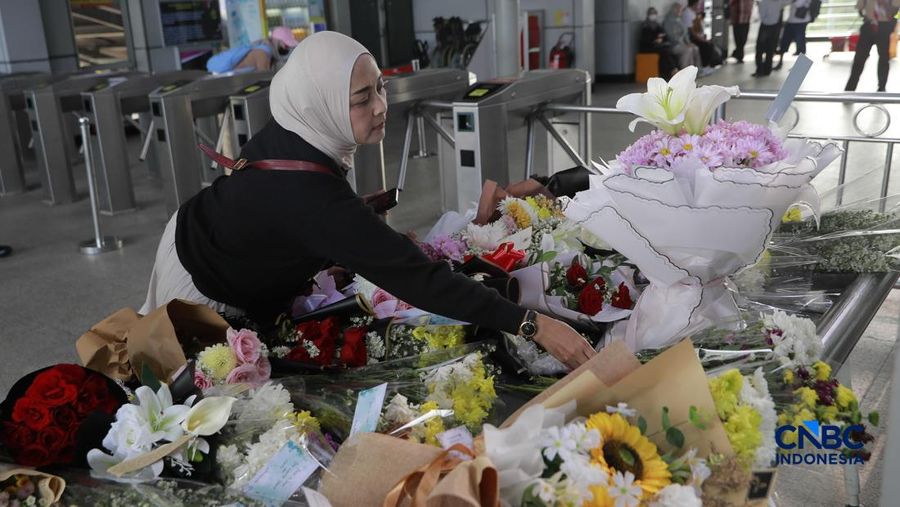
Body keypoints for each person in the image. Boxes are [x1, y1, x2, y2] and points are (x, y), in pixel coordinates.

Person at [140, 31, 596, 370]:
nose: (381, 106)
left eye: (380, 87)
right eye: (362, 98)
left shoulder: (296, 126)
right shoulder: (310, 197)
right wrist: (533, 324)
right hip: (203, 285)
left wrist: (331, 250)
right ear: (320, 102)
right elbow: (418, 280)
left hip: (200, 230)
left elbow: (284, 221)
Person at [845, 0, 900, 92]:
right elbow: (860, 8)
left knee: (884, 58)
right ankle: (850, 89)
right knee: (860, 58)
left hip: (885, 26)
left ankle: (881, 88)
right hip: (869, 25)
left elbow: (896, 10)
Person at [206, 26, 299, 73]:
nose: (286, 49)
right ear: (277, 41)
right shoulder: (263, 53)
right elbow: (265, 78)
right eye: (286, 46)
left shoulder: (265, 51)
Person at [664, 3, 705, 73]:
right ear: (675, 10)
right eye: (680, 10)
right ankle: (684, 72)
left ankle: (697, 70)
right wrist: (685, 44)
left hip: (682, 44)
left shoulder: (679, 20)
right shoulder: (668, 21)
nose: (681, 12)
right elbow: (672, 37)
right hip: (674, 45)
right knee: (688, 50)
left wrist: (688, 43)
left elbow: (685, 34)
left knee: (695, 48)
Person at [640, 7, 679, 78]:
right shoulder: (645, 25)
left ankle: (672, 71)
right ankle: (672, 70)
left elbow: (664, 35)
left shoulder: (657, 25)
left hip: (657, 47)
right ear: (648, 14)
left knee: (669, 51)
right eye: (651, 13)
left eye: (654, 13)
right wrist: (655, 40)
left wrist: (661, 39)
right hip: (648, 48)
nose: (653, 15)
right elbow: (646, 40)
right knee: (664, 52)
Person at [774, 0, 812, 70]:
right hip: (791, 21)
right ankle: (780, 63)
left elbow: (799, 4)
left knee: (800, 44)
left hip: (801, 22)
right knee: (784, 42)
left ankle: (800, 67)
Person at [754, 0, 789, 77]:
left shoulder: (764, 3)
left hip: (765, 27)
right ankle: (767, 70)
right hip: (775, 28)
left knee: (759, 50)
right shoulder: (779, 2)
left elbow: (762, 16)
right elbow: (789, 2)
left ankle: (759, 70)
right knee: (770, 49)